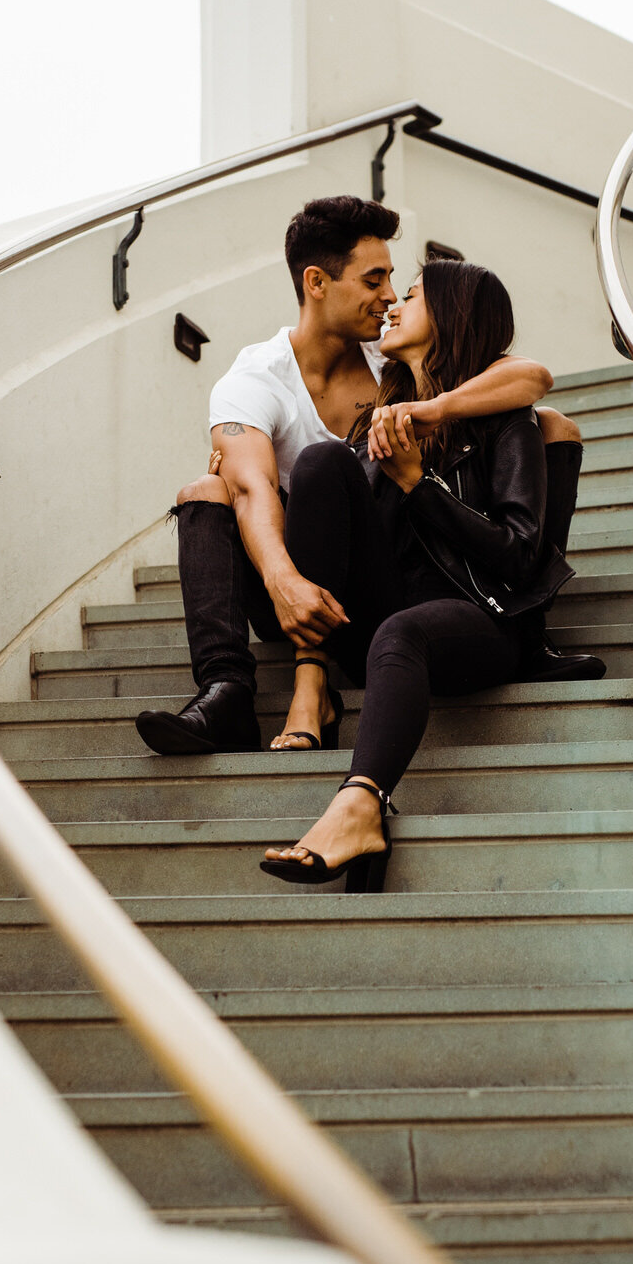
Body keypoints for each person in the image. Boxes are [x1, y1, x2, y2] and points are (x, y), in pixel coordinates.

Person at [134, 195, 571, 757]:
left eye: (396, 283)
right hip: (291, 580)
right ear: (317, 282)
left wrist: (426, 412)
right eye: (374, 280)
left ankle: (527, 622)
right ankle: (226, 690)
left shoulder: (390, 360)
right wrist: (283, 582)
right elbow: (250, 488)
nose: (389, 298)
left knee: (553, 425)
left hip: (373, 574)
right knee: (206, 489)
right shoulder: (256, 379)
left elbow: (530, 377)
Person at [259, 259, 585, 891]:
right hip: (383, 620)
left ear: (452, 314)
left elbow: (520, 556)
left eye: (409, 295)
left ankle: (360, 805)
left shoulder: (504, 420)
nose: (392, 306)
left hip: (482, 617)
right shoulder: (379, 421)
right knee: (323, 463)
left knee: (402, 633)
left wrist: (418, 483)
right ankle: (313, 672)